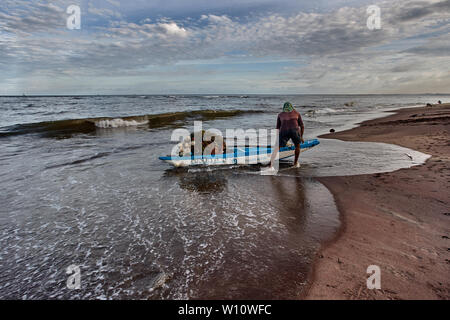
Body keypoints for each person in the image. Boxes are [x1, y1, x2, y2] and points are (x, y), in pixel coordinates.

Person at [267, 102, 304, 170]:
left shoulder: (280, 114)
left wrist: (277, 138)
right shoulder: (297, 113)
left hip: (284, 131)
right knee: (297, 146)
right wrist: (301, 137)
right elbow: (302, 126)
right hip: (294, 131)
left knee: (277, 147)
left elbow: (277, 128)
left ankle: (270, 165)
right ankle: (295, 163)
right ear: (292, 107)